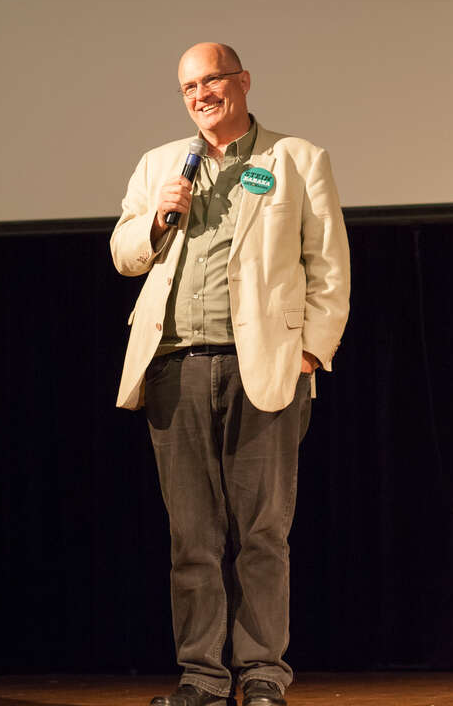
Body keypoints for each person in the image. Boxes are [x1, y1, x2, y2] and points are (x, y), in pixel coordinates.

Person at [110, 43, 350, 706]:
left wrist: (309, 354)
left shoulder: (296, 159)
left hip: (264, 368)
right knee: (192, 537)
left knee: (262, 533)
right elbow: (124, 255)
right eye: (189, 86)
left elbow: (328, 266)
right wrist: (159, 215)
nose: (200, 94)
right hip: (176, 367)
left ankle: (263, 675)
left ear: (242, 81)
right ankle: (202, 679)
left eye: (211, 79)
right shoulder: (160, 164)